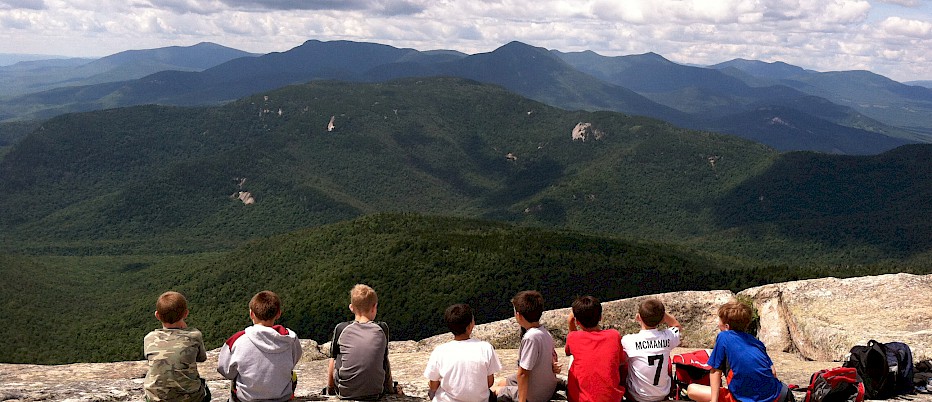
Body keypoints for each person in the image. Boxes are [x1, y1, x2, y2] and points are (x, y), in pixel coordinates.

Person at [686, 300, 792, 402]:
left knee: (692, 389)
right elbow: (773, 372)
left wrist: (714, 400)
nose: (718, 323)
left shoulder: (724, 336)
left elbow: (715, 371)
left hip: (744, 399)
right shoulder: (757, 342)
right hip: (777, 395)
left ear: (727, 327)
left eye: (719, 320)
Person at [217, 290, 303, 402]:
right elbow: (294, 359)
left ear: (251, 314)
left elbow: (225, 371)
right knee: (293, 376)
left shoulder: (238, 340)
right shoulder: (290, 339)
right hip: (282, 398)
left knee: (236, 379)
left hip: (247, 399)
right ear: (278, 314)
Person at [326, 284, 403, 400]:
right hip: (375, 392)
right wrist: (390, 390)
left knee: (336, 356)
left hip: (345, 392)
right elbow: (384, 361)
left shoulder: (341, 329)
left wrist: (330, 389)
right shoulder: (382, 328)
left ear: (351, 307)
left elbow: (333, 361)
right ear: (374, 307)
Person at [424, 303, 503, 402]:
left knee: (432, 393)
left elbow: (433, 386)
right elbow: (489, 382)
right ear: (470, 325)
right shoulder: (486, 347)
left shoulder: (440, 351)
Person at [493, 290, 560, 402]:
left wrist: (522, 400)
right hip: (546, 387)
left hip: (535, 396)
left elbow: (523, 373)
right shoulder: (544, 332)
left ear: (518, 315)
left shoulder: (530, 338)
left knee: (495, 390)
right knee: (502, 382)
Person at [143, 291, 210, 402]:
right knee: (205, 391)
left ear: (157, 315)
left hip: (156, 398)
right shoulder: (194, 335)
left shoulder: (149, 338)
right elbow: (201, 358)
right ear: (186, 313)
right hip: (190, 399)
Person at [564, 295, 626, 402]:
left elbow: (568, 351)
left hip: (582, 399)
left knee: (574, 360)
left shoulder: (573, 337)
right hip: (612, 399)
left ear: (577, 321)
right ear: (600, 317)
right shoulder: (614, 335)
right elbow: (621, 362)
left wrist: (570, 322)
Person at [622, 298, 682, 402]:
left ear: (638, 317)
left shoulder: (628, 340)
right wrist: (662, 315)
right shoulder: (668, 336)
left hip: (636, 396)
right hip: (662, 394)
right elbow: (676, 326)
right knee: (666, 360)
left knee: (626, 362)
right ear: (662, 318)